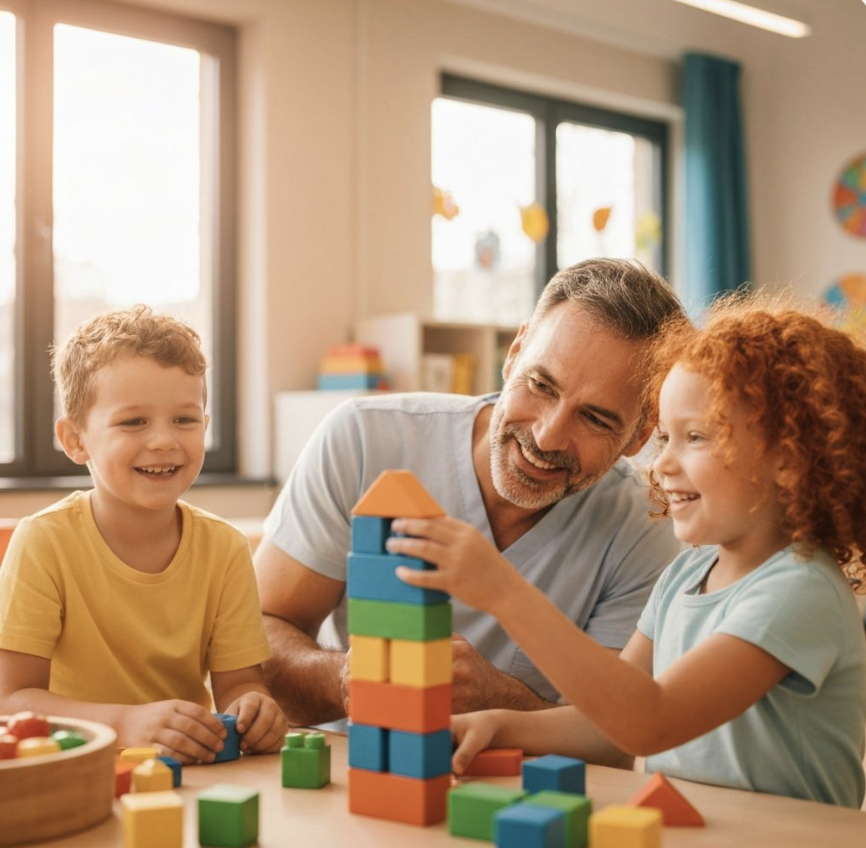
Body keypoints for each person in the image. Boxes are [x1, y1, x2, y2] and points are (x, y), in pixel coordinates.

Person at [396, 294, 866, 808]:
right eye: (664, 437)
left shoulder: (799, 590)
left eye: (696, 437)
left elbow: (648, 720)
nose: (662, 464)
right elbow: (612, 720)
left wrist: (504, 591)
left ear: (789, 459)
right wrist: (501, 725)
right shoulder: (688, 572)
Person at [255, 259, 685, 739]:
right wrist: (347, 680)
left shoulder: (646, 526)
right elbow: (256, 647)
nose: (547, 436)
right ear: (514, 354)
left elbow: (615, 734)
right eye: (541, 385)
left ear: (639, 433)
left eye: (596, 419)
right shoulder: (362, 439)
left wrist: (496, 699)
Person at [0, 306, 288, 763]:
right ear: (75, 440)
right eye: (134, 422)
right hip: (81, 771)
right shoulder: (43, 542)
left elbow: (238, 684)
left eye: (184, 420)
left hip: (189, 772)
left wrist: (255, 708)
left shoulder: (225, 547)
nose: (164, 441)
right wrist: (124, 723)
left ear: (205, 428)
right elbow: (11, 701)